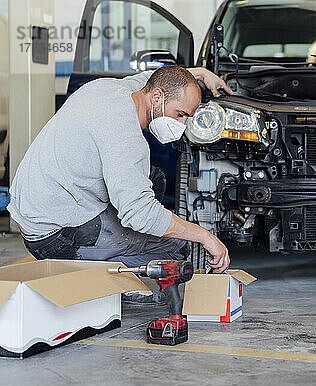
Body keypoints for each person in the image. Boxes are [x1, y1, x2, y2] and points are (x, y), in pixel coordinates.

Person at [8, 65, 233, 302]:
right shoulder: (126, 139)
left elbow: (155, 79)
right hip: (54, 236)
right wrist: (206, 237)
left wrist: (200, 73)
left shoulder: (113, 89)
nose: (183, 125)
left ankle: (113, 237)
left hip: (38, 208)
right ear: (157, 97)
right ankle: (111, 285)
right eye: (180, 114)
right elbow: (141, 214)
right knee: (175, 248)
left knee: (152, 177)